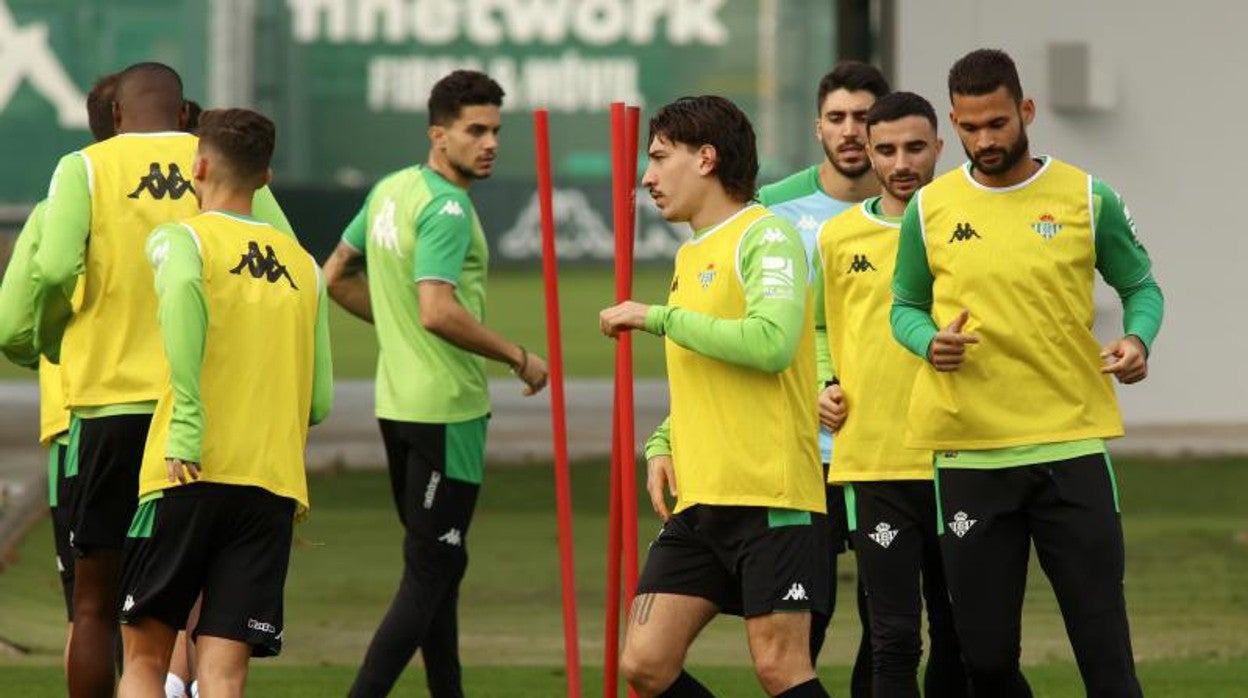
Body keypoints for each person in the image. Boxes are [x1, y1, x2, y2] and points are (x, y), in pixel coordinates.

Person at [890, 49, 1163, 697]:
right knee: (984, 660)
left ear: (1026, 112)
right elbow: (903, 307)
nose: (985, 140)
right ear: (954, 121)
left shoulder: (1087, 197)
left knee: (1106, 656)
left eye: (998, 124)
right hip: (971, 456)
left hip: (1071, 445)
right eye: (971, 127)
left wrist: (1137, 339)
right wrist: (930, 344)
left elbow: (1141, 287)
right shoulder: (928, 210)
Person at [30, 62, 293, 698]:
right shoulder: (222, 167)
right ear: (184, 117)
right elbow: (287, 261)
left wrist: (48, 338)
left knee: (96, 609)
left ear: (115, 116)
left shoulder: (86, 168)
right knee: (198, 604)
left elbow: (50, 272)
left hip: (104, 407)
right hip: (202, 419)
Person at [321, 69, 549, 698]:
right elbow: (437, 309)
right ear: (438, 134)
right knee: (431, 570)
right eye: (475, 130)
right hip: (448, 411)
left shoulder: (392, 189)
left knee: (440, 563)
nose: (490, 142)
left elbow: (336, 275)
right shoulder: (448, 207)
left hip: (397, 405)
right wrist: (517, 356)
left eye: (496, 130)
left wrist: (395, 326)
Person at [600, 95, 830, 698]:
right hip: (701, 498)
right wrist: (661, 443)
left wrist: (656, 317)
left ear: (706, 158)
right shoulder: (690, 252)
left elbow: (772, 343)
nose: (646, 178)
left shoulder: (767, 235)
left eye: (657, 158)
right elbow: (706, 374)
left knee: (780, 669)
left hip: (769, 494)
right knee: (645, 664)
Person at [115, 107, 331, 698]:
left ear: (200, 166)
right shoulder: (307, 269)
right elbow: (319, 399)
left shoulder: (181, 240)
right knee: (225, 673)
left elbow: (183, 295)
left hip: (186, 472)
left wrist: (188, 420)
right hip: (270, 485)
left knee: (145, 660)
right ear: (266, 178)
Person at [816, 91, 967, 697]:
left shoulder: (964, 224)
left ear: (939, 146)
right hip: (876, 462)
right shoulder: (837, 238)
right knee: (893, 640)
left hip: (963, 458)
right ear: (869, 154)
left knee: (964, 637)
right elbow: (822, 328)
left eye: (914, 147)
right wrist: (826, 382)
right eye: (886, 150)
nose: (901, 162)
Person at [757, 60, 891, 683]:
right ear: (818, 127)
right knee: (812, 612)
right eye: (836, 118)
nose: (850, 131)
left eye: (863, 118)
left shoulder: (919, 207)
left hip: (890, 445)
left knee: (890, 614)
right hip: (806, 447)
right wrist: (813, 389)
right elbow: (762, 324)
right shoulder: (776, 207)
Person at [0, 69, 119, 675]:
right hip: (184, 428)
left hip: (79, 427)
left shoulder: (62, 202)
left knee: (90, 607)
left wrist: (48, 345)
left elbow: (14, 326)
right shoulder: (197, 201)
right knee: (175, 606)